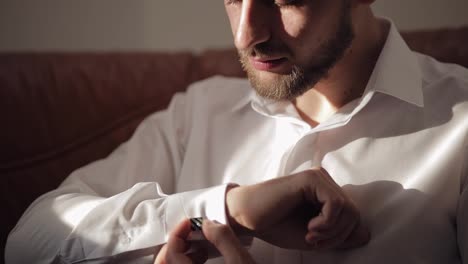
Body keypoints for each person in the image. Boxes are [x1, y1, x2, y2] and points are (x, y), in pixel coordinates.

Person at [5, 0, 468, 263]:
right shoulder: (197, 114)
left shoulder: (461, 128)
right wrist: (225, 209)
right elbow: (29, 242)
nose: (248, 33)